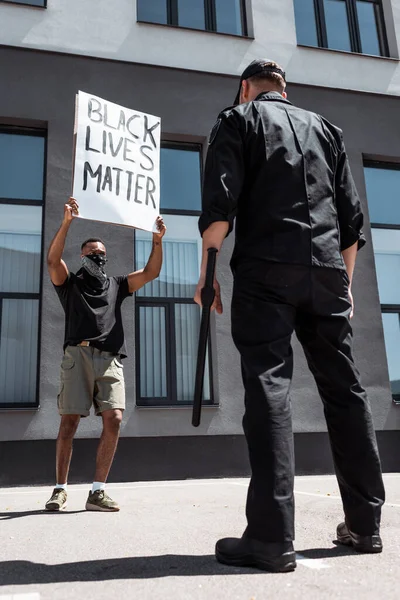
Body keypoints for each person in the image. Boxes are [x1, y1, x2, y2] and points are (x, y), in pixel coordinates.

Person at [195, 59, 385, 572]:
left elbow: (219, 209)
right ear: (286, 89)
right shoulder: (328, 130)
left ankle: (271, 538)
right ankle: (366, 526)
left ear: (245, 89)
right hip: (326, 271)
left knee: (269, 389)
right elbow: (352, 226)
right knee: (345, 392)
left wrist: (207, 276)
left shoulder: (236, 120)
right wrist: (343, 285)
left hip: (265, 270)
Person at [46, 197, 166, 512]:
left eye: (102, 252)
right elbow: (52, 261)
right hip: (78, 356)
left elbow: (151, 272)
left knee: (113, 419)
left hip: (110, 358)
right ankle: (60, 489)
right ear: (82, 255)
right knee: (69, 422)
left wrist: (157, 240)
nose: (99, 255)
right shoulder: (69, 284)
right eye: (93, 252)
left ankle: (97, 492)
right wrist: (67, 222)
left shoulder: (117, 284)